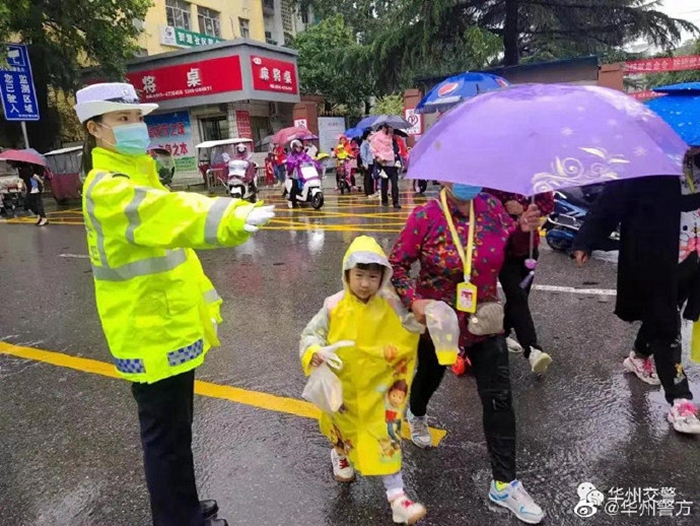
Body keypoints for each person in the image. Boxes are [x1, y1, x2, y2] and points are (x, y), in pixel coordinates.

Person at [74, 82, 275, 526]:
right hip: (147, 334)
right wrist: (232, 215)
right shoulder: (108, 189)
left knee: (178, 431)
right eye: (124, 120)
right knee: (164, 438)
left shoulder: (137, 177)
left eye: (138, 118)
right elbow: (170, 214)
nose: (136, 127)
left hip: (166, 328)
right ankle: (176, 519)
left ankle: (182, 505)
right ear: (95, 129)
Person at [389, 183, 545, 524]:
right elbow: (397, 265)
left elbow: (512, 250)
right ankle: (417, 412)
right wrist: (413, 300)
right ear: (445, 178)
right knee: (430, 377)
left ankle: (504, 484)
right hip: (440, 321)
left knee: (499, 398)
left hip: (483, 319)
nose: (467, 180)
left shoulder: (491, 208)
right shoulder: (426, 216)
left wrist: (524, 230)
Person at [300, 235, 427, 525]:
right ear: (347, 274)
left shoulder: (392, 305)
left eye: (373, 276)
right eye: (359, 275)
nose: (366, 283)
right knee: (341, 430)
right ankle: (340, 455)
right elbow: (311, 334)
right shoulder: (333, 306)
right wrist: (314, 352)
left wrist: (427, 318)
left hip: (379, 391)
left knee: (386, 437)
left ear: (383, 276)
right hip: (342, 391)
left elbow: (411, 326)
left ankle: (397, 498)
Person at [573, 156, 700, 435]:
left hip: (692, 255)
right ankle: (680, 399)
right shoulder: (646, 159)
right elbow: (612, 200)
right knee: (667, 325)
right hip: (655, 254)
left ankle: (639, 355)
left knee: (666, 313)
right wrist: (587, 239)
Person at [488, 190, 554, 373]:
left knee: (520, 298)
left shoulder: (536, 180)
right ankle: (532, 349)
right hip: (502, 250)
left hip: (529, 250)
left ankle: (502, 332)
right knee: (517, 297)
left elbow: (548, 204)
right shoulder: (493, 183)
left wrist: (524, 209)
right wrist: (513, 215)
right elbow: (486, 210)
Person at [370, 125, 401, 209]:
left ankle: (396, 202)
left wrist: (394, 153)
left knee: (395, 184)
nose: (391, 132)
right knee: (384, 184)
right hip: (384, 166)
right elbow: (374, 151)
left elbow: (397, 150)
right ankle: (384, 201)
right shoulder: (378, 139)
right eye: (389, 130)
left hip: (393, 166)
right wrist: (379, 158)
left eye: (392, 131)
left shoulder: (393, 140)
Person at [286, 139, 319, 208]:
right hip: (296, 173)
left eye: (300, 147)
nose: (299, 149)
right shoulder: (291, 155)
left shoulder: (303, 154)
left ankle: (307, 195)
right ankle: (292, 200)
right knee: (295, 186)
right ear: (294, 147)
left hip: (304, 172)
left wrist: (313, 162)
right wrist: (295, 162)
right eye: (297, 147)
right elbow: (289, 162)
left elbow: (308, 159)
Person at [16, 162, 48, 226]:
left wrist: (41, 182)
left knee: (37, 202)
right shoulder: (20, 168)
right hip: (30, 187)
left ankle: (44, 218)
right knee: (28, 202)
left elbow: (33, 175)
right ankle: (39, 215)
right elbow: (24, 179)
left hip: (35, 187)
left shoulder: (27, 167)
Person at [360, 130, 375, 197]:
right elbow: (363, 155)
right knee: (367, 178)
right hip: (367, 163)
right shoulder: (364, 144)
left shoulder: (370, 143)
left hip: (372, 162)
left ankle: (372, 191)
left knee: (371, 178)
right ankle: (368, 192)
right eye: (369, 135)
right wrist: (365, 164)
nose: (370, 136)